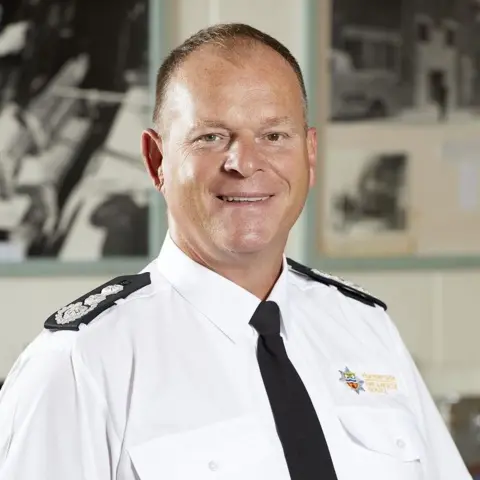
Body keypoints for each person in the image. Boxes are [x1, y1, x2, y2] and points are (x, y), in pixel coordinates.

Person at [0, 23, 472, 480]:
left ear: (309, 153)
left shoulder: (366, 329)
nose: (245, 164)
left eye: (273, 136)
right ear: (156, 160)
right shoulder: (78, 364)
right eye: (211, 137)